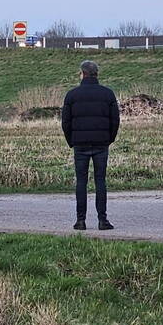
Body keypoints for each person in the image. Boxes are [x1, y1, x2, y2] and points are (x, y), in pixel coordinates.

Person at [61, 60, 119, 230]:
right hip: (101, 143)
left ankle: (80, 220)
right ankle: (103, 220)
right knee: (100, 180)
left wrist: (71, 140)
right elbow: (115, 120)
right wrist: (109, 139)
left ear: (82, 73)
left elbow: (66, 122)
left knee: (81, 181)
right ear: (96, 74)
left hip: (80, 144)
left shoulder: (72, 95)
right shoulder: (108, 94)